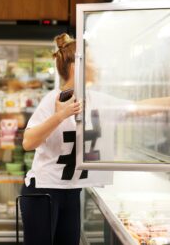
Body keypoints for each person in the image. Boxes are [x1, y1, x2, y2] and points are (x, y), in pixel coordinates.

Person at [20, 33, 114, 245]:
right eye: (92, 60)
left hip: (71, 191)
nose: (97, 66)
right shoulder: (52, 100)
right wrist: (60, 115)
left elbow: (137, 108)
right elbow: (28, 142)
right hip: (42, 192)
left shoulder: (93, 98)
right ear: (76, 66)